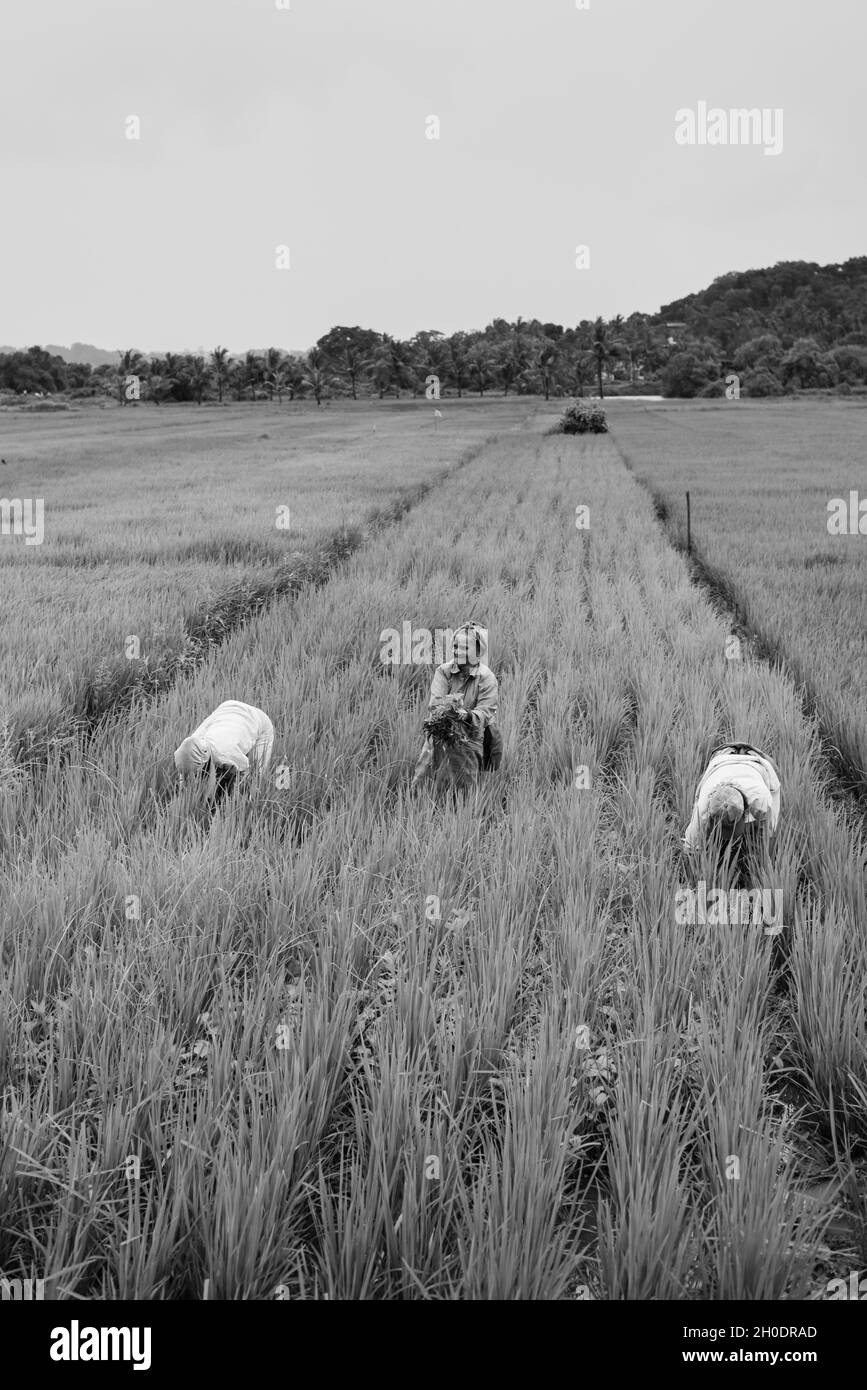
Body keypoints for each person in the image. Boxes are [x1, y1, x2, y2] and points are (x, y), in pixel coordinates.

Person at [412, 621, 499, 789]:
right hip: (439, 735)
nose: (458, 652)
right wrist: (449, 710)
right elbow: (436, 703)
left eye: (465, 648)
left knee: (463, 790)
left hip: (469, 739)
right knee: (426, 781)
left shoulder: (487, 678)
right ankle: (422, 809)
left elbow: (486, 713)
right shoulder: (444, 671)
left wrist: (466, 715)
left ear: (479, 651)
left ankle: (461, 814)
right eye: (455, 646)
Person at [683, 741, 780, 851]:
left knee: (762, 833)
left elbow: (769, 832)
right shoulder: (703, 805)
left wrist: (759, 851)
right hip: (721, 760)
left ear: (745, 812)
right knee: (703, 833)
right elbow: (690, 845)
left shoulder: (761, 800)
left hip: (759, 763)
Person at [174, 700, 274, 802]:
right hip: (227, 708)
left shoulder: (226, 752)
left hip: (257, 720)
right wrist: (184, 795)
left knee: (255, 777)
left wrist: (233, 799)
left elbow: (244, 770)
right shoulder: (190, 747)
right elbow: (187, 774)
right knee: (213, 774)